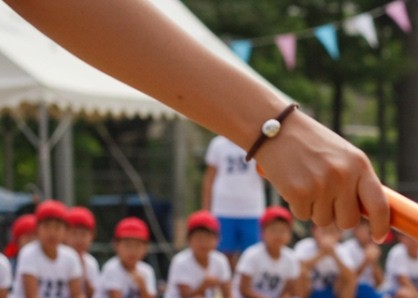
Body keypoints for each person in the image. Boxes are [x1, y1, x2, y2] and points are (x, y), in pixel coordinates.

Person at [6, 0, 390, 239]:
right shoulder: (222, 147)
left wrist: (273, 128)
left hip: (250, 206)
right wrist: (274, 128)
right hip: (230, 203)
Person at [8, 200, 117, 298]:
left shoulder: (70, 257)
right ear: (37, 229)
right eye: (47, 226)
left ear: (65, 231)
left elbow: (77, 296)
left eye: (57, 227)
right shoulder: (29, 253)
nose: (52, 232)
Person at [234, 206, 315, 298]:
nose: (278, 235)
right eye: (273, 230)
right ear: (262, 232)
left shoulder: (290, 257)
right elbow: (244, 290)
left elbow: (289, 288)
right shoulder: (252, 255)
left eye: (283, 231)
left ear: (289, 233)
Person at [92, 217, 175, 298]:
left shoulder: (146, 270)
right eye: (128, 245)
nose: (132, 251)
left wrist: (143, 287)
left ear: (145, 248)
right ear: (116, 246)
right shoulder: (112, 268)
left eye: (137, 246)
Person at [165, 210, 245, 298]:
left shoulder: (220, 260)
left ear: (217, 240)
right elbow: (185, 297)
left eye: (208, 238)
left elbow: (228, 295)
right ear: (189, 240)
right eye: (199, 238)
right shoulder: (181, 261)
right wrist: (203, 286)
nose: (203, 243)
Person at [203, 135, 266, 267]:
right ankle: (227, 279)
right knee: (223, 253)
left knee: (252, 253)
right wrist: (206, 209)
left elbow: (266, 173)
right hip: (223, 208)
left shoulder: (256, 142)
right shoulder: (218, 144)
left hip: (252, 208)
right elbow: (209, 178)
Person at [294, 221, 357, 298]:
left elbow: (351, 277)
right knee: (301, 273)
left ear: (340, 234)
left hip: (330, 296)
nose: (328, 235)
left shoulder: (342, 250)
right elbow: (296, 269)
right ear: (313, 230)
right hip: (310, 295)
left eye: (332, 231)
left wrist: (334, 255)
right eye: (324, 230)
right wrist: (322, 253)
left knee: (348, 279)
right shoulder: (304, 246)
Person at [64, 206, 100, 298]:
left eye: (83, 234)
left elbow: (92, 297)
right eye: (74, 233)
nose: (78, 239)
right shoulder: (57, 258)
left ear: (92, 236)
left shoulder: (91, 262)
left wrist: (84, 276)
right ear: (64, 234)